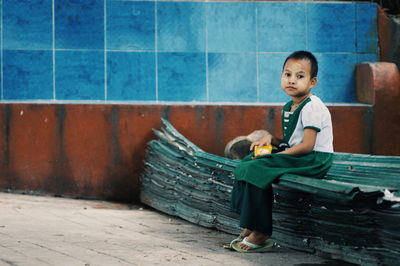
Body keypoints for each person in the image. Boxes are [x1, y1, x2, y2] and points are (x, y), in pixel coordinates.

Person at [228, 51, 334, 253]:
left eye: (300, 76)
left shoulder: (312, 107)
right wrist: (271, 138)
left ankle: (261, 231)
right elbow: (291, 141)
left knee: (259, 167)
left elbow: (308, 145)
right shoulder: (290, 106)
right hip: (300, 155)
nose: (292, 80)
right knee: (249, 161)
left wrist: (276, 156)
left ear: (312, 82)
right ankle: (250, 221)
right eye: (287, 74)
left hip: (314, 160)